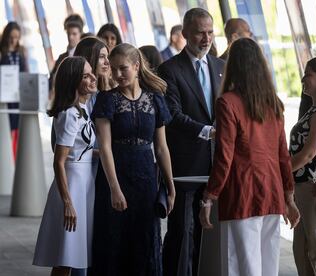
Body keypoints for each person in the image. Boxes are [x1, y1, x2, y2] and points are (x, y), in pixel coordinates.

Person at [199, 38, 300, 276]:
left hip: (241, 193)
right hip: (272, 192)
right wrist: (289, 196)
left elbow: (225, 155)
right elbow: (282, 155)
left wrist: (209, 196)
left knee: (241, 266)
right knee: (268, 267)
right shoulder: (273, 103)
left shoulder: (227, 103)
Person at [91, 43, 175, 276]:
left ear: (137, 67)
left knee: (146, 240)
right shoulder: (106, 100)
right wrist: (114, 189)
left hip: (147, 178)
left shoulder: (155, 99)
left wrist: (170, 186)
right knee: (114, 241)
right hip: (115, 177)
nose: (117, 74)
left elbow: (161, 148)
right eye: (114, 69)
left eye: (123, 68)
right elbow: (105, 148)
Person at [157, 7, 225, 276]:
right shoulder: (169, 70)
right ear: (185, 34)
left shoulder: (221, 67)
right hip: (185, 168)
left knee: (210, 235)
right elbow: (172, 115)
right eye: (200, 33)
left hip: (218, 167)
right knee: (182, 234)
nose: (206, 38)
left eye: (210, 32)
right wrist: (208, 131)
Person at [33, 56, 97, 276]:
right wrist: (68, 202)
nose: (93, 78)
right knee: (65, 257)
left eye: (91, 73)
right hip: (72, 187)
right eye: (86, 75)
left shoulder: (83, 108)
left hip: (83, 185)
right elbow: (59, 161)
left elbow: (83, 150)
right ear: (73, 81)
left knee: (71, 254)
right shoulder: (70, 114)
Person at [289, 57, 316, 276]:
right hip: (301, 186)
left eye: (309, 74)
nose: (303, 79)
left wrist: (279, 171)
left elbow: (309, 153)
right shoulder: (313, 108)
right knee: (302, 251)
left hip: (311, 186)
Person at [0, 21, 28, 159]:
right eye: (11, 37)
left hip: (19, 95)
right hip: (5, 96)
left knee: (18, 127)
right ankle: (8, 157)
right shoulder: (2, 52)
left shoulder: (21, 52)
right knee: (8, 126)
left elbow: (26, 72)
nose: (13, 40)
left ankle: (16, 156)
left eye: (16, 37)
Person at [49, 14, 84, 96]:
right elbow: (51, 80)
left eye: (74, 34)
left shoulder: (85, 56)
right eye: (68, 34)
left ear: (80, 34)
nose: (70, 37)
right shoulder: (62, 58)